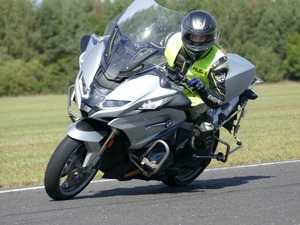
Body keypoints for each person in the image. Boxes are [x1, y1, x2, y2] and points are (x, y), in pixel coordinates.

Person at [164, 10, 229, 158]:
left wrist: (203, 90)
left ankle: (184, 160)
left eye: (202, 37)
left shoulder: (218, 60)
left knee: (205, 129)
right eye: (193, 36)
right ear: (186, 34)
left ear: (210, 37)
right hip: (167, 92)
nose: (197, 41)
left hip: (197, 104)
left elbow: (218, 99)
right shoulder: (174, 41)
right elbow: (149, 51)